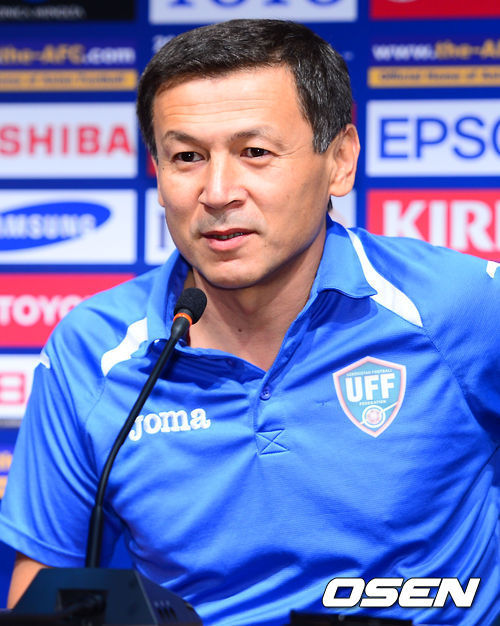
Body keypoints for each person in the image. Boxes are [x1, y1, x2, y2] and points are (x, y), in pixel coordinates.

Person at [0, 18, 499, 626]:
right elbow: (45, 590)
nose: (217, 192)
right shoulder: (92, 349)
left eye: (255, 152)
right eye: (186, 157)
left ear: (340, 160)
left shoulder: (462, 307)